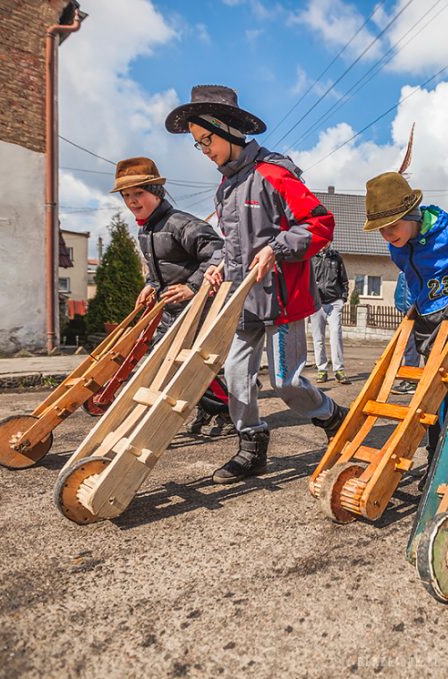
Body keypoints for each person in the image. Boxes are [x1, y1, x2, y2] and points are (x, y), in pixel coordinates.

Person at [165, 85, 348, 484]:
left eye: (206, 140)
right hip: (241, 301)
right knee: (235, 376)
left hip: (282, 300)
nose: (204, 150)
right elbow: (232, 244)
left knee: (286, 383)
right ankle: (251, 445)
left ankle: (333, 417)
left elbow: (319, 224)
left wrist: (277, 249)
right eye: (198, 144)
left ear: (228, 130)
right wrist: (217, 265)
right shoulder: (224, 188)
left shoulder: (275, 173)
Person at [364, 170, 448, 475]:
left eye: (393, 226)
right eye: (381, 230)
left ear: (413, 215)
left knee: (438, 394)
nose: (388, 235)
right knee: (439, 393)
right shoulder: (398, 247)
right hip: (427, 323)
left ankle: (439, 460)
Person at [112, 157, 233, 437]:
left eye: (138, 193)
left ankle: (228, 409)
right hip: (171, 309)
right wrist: (151, 285)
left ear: (157, 192)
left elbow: (219, 253)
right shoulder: (146, 229)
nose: (132, 200)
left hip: (199, 307)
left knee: (193, 364)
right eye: (126, 195)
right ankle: (209, 407)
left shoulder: (181, 224)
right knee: (163, 359)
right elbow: (161, 268)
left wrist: (192, 287)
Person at [310, 245, 351, 385]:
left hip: (334, 302)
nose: (324, 243)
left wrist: (343, 299)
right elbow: (304, 279)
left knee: (336, 334)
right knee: (318, 338)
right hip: (316, 303)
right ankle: (322, 370)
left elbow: (343, 280)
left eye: (327, 239)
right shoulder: (311, 258)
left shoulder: (336, 258)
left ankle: (338, 369)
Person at [390, 271, 419, 395]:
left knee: (419, 346)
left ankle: (413, 381)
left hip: (418, 309)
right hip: (408, 309)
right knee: (410, 345)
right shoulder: (404, 266)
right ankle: (411, 380)